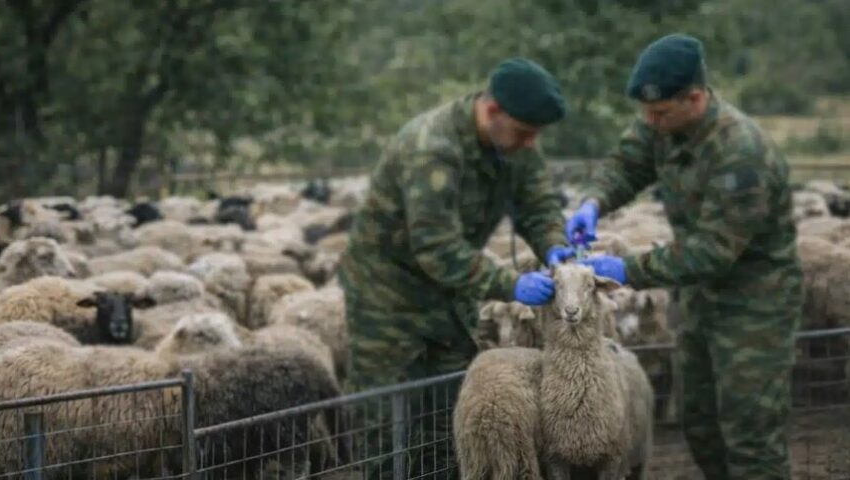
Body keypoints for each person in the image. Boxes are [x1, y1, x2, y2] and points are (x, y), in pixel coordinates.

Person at [568, 33, 803, 480]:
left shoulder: (741, 154)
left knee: (750, 432)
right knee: (700, 424)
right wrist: (593, 202)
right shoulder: (662, 125)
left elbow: (713, 251)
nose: (649, 121)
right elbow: (628, 162)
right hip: (699, 299)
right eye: (645, 112)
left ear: (694, 99)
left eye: (658, 112)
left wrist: (628, 269)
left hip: (756, 305)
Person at [337, 57, 572, 478]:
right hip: (388, 301)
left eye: (535, 135)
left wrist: (555, 247)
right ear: (492, 110)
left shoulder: (514, 144)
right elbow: (436, 247)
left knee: (450, 423)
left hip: (451, 298)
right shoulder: (433, 148)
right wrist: (510, 284)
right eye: (523, 132)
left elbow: (538, 204)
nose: (530, 144)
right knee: (385, 426)